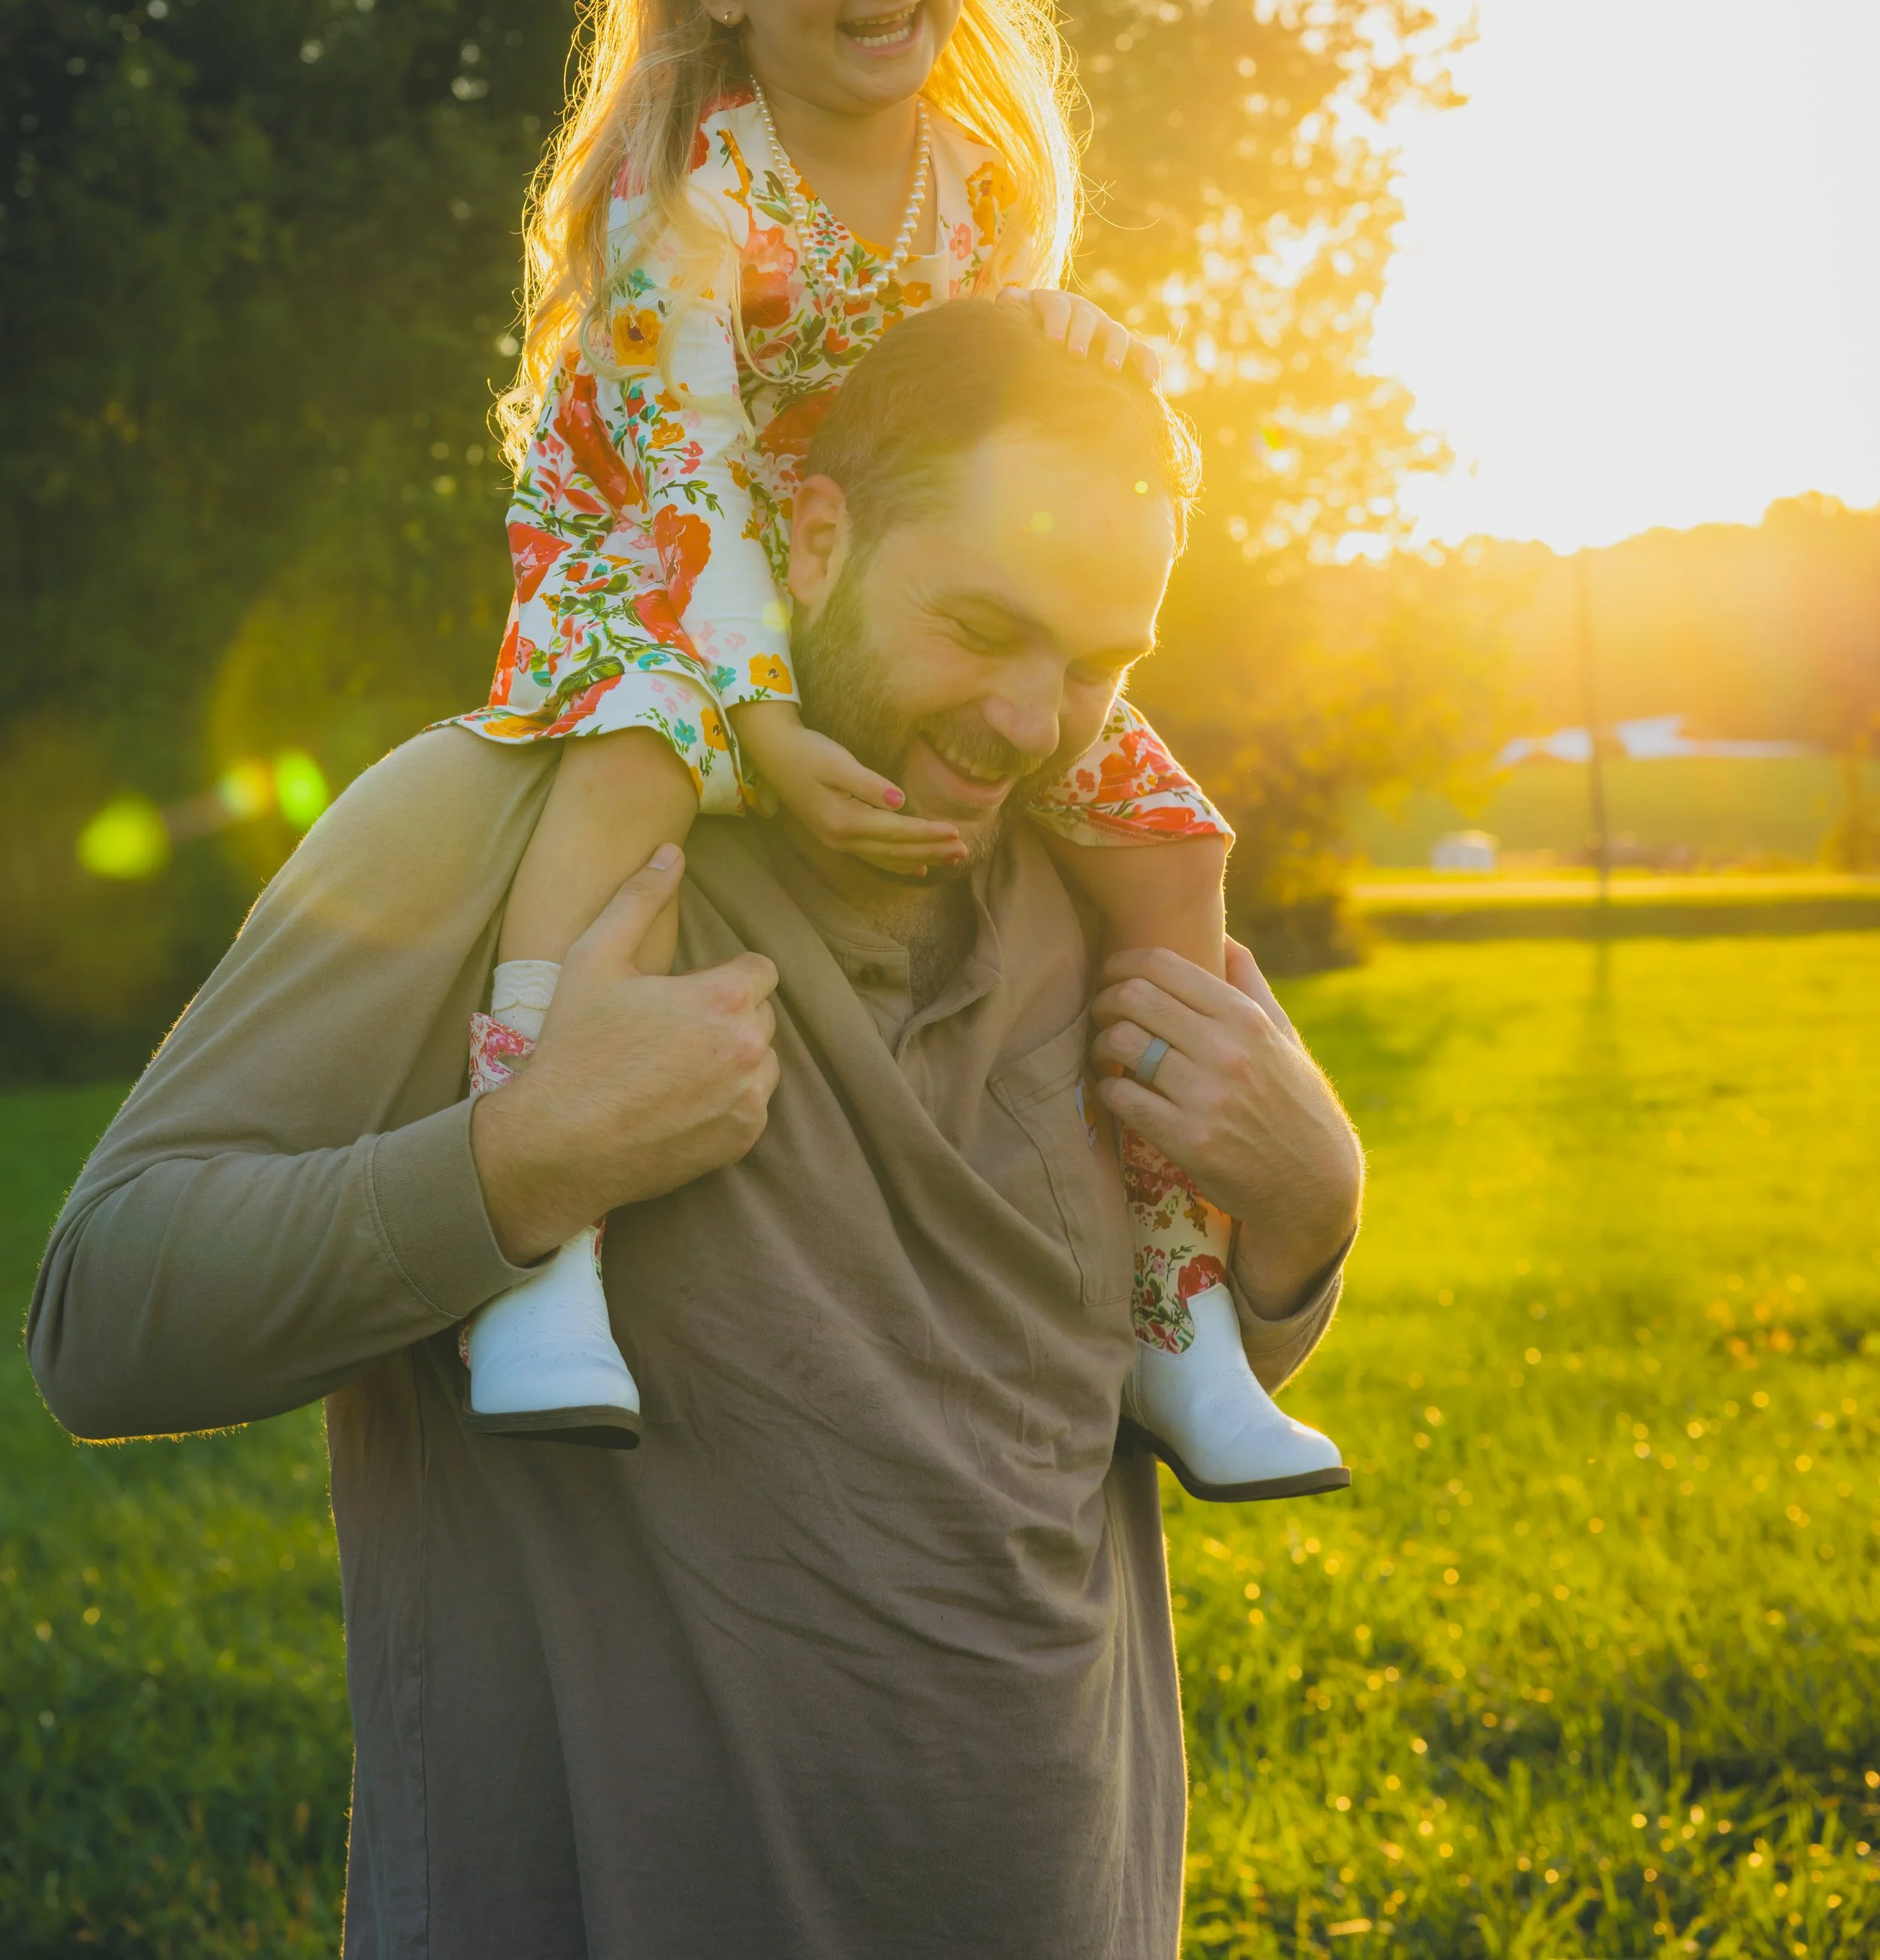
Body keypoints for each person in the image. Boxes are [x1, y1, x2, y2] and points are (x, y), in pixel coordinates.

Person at [30, 299, 1363, 1960]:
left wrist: (1304, 1214)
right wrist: (517, 1164)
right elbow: (102, 1319)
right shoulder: (490, 814)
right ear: (811, 534)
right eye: (978, 624)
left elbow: (1051, 1400)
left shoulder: (1099, 898)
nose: (1033, 720)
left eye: (1096, 664)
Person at [456, 0, 1340, 1497]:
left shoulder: (982, 165)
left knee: (1168, 833)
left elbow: (1008, 388)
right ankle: (536, 1244)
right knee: (630, 759)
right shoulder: (685, 199)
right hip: (669, 542)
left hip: (893, 566)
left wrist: (1080, 342)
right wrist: (762, 719)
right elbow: (687, 469)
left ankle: (1174, 1312)